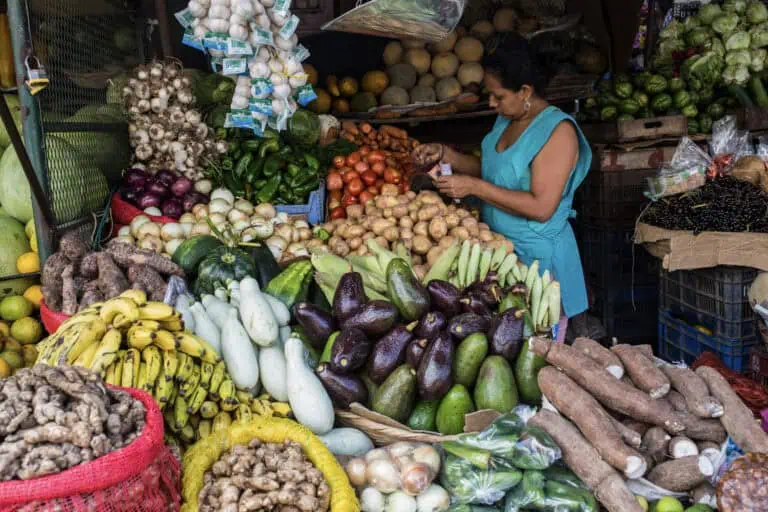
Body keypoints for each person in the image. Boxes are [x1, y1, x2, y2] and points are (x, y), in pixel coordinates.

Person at [412, 35, 592, 333]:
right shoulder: (508, 118)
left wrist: (474, 187)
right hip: (499, 253)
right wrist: (447, 154)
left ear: (525, 91)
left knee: (536, 354)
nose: (492, 103)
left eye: (498, 96)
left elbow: (542, 207)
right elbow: (497, 172)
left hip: (539, 262)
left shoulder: (557, 132)